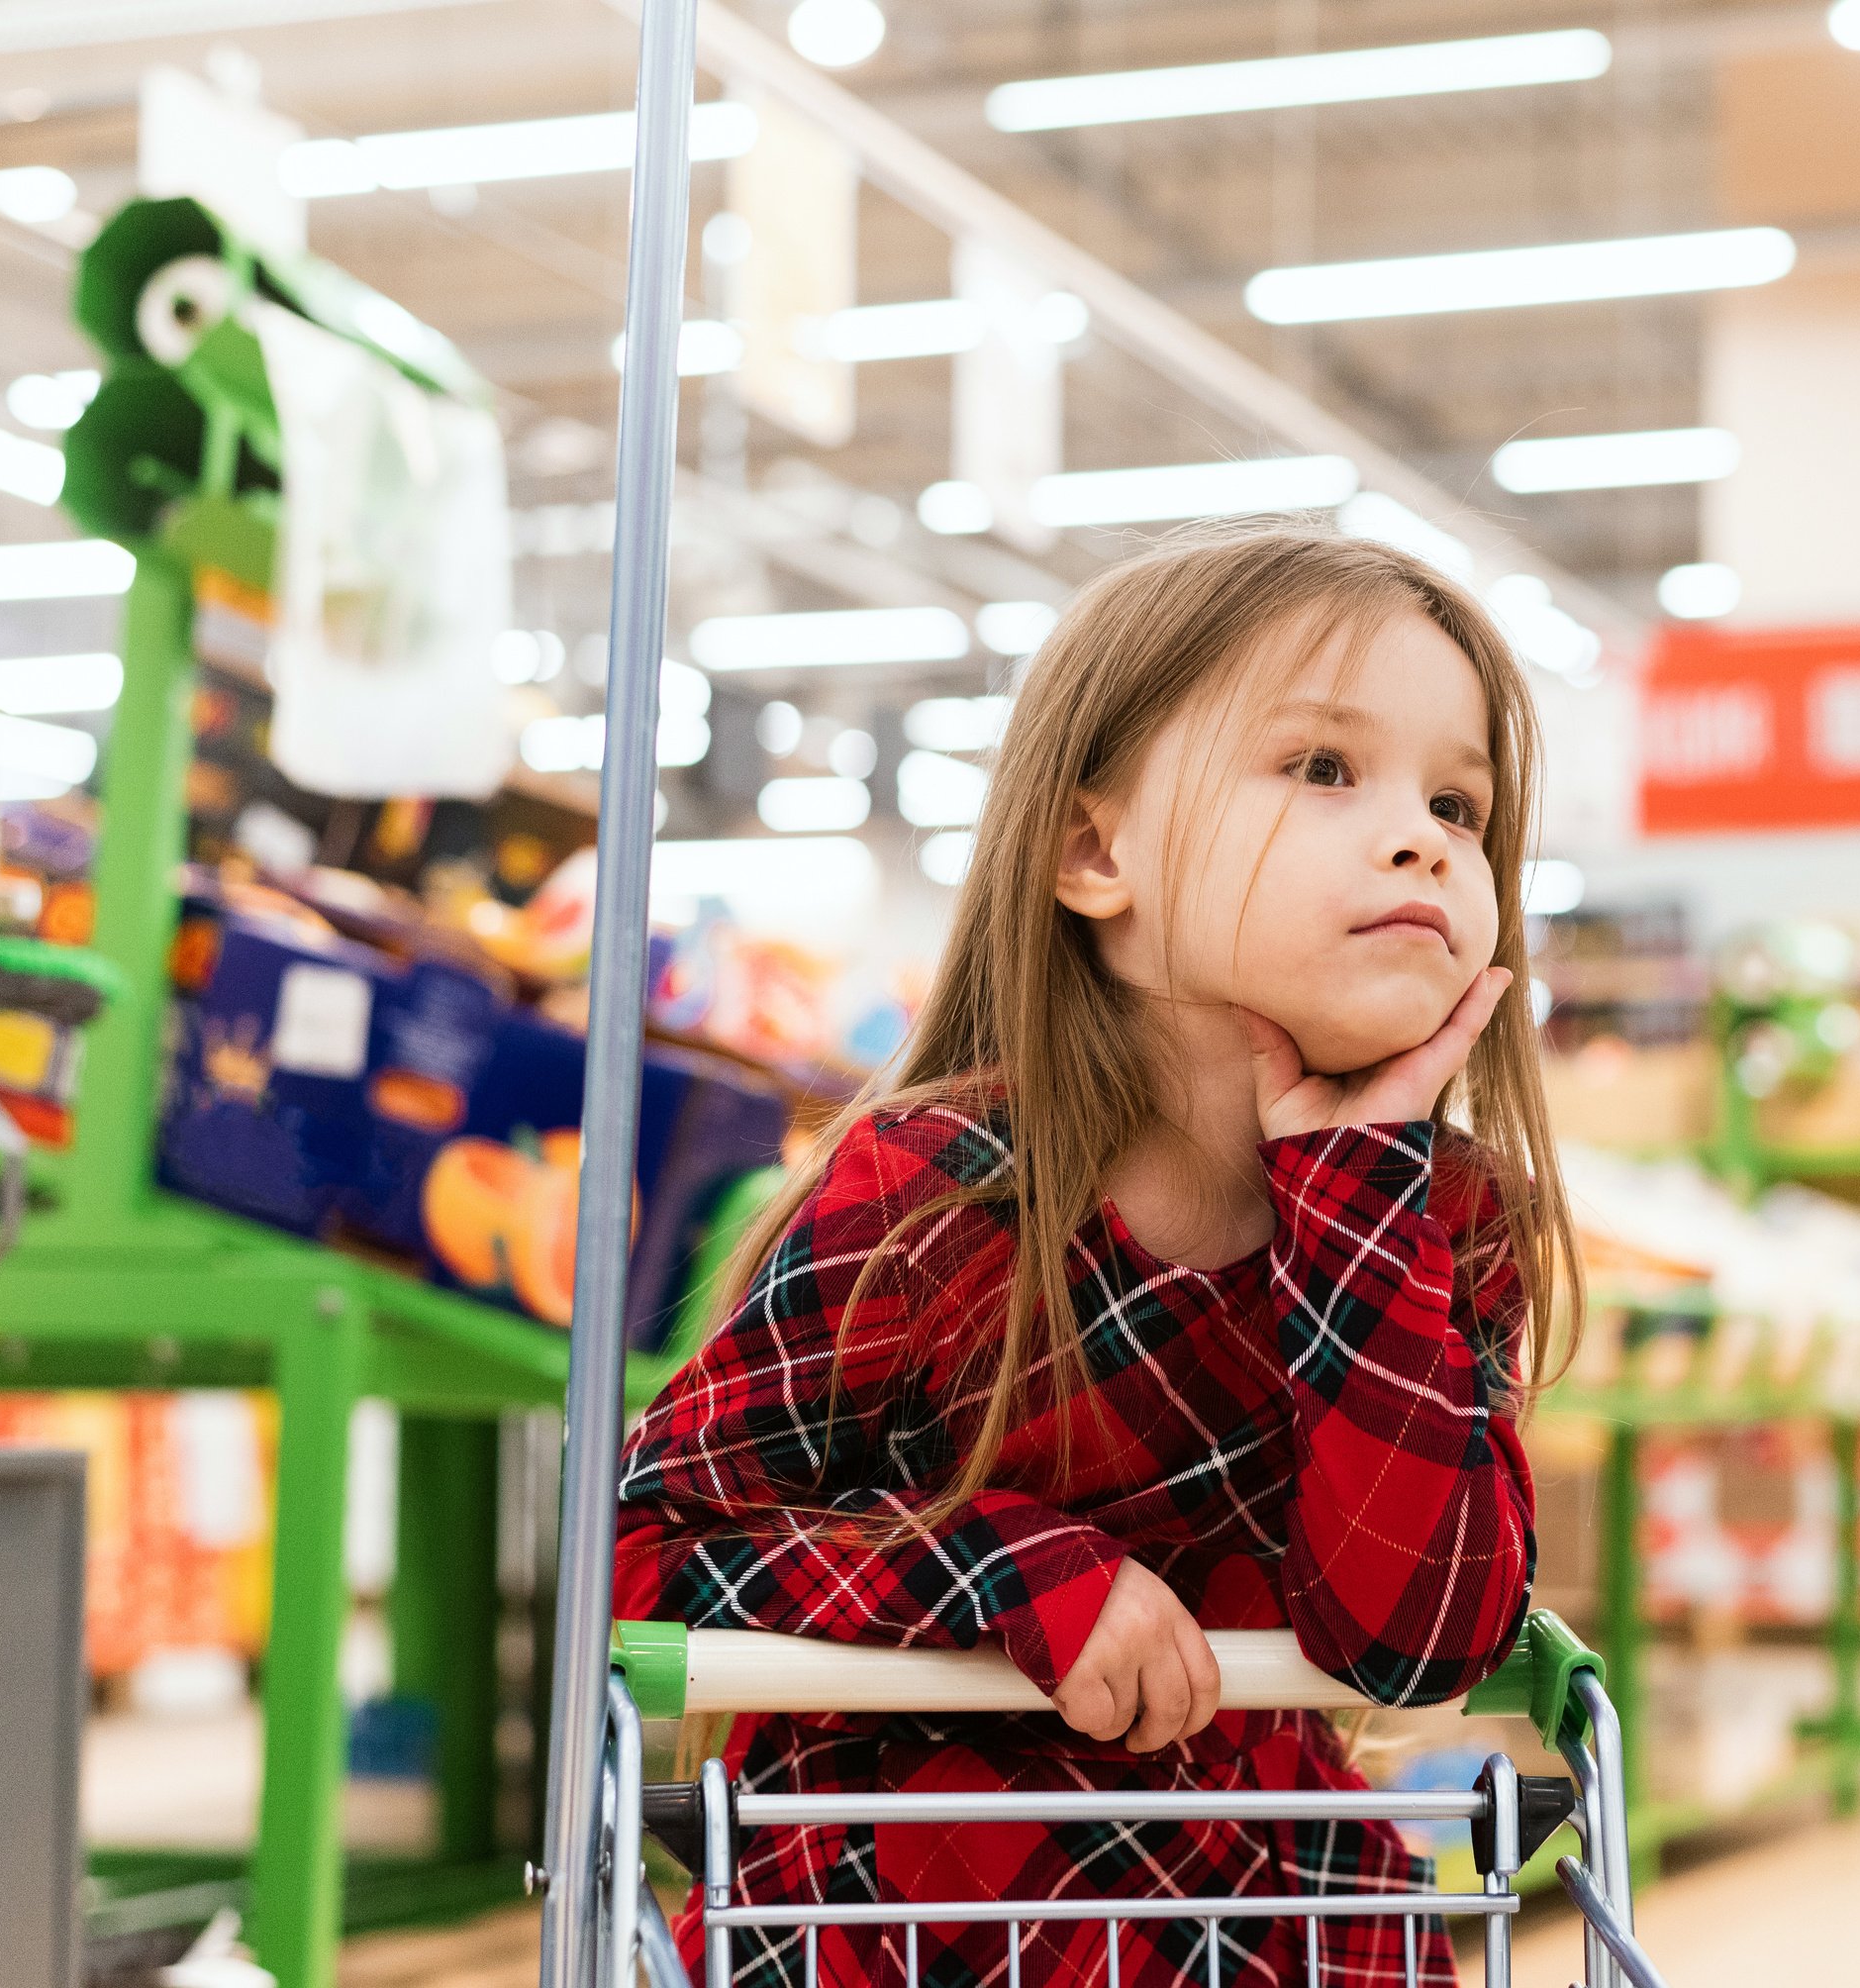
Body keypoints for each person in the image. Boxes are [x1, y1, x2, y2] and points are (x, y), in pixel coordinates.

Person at [614, 527, 1578, 1987]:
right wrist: (1004, 1565)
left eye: (1459, 801)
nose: (1423, 837)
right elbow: (655, 1548)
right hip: (917, 1901)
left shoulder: (1444, 1221)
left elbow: (1417, 1641)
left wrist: (1354, 1191)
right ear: (1093, 851)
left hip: (1279, 1914)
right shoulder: (934, 1199)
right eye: (1324, 767)